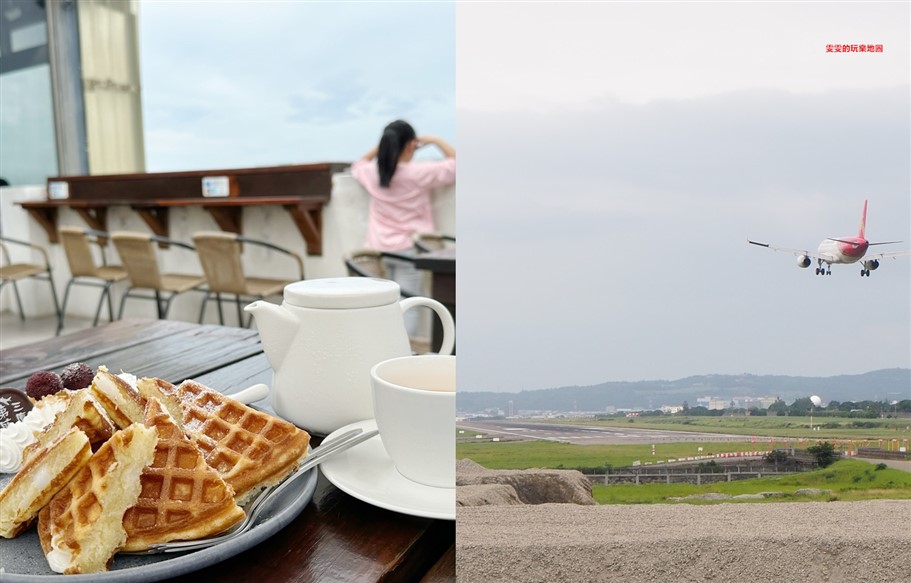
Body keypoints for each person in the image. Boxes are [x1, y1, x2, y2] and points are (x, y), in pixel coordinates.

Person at [351, 120, 455, 300]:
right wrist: (435, 140)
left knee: (381, 304)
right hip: (408, 249)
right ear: (410, 146)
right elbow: (455, 163)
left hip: (377, 248)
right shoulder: (418, 172)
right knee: (408, 305)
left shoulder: (372, 172)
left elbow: (358, 164)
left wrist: (385, 145)